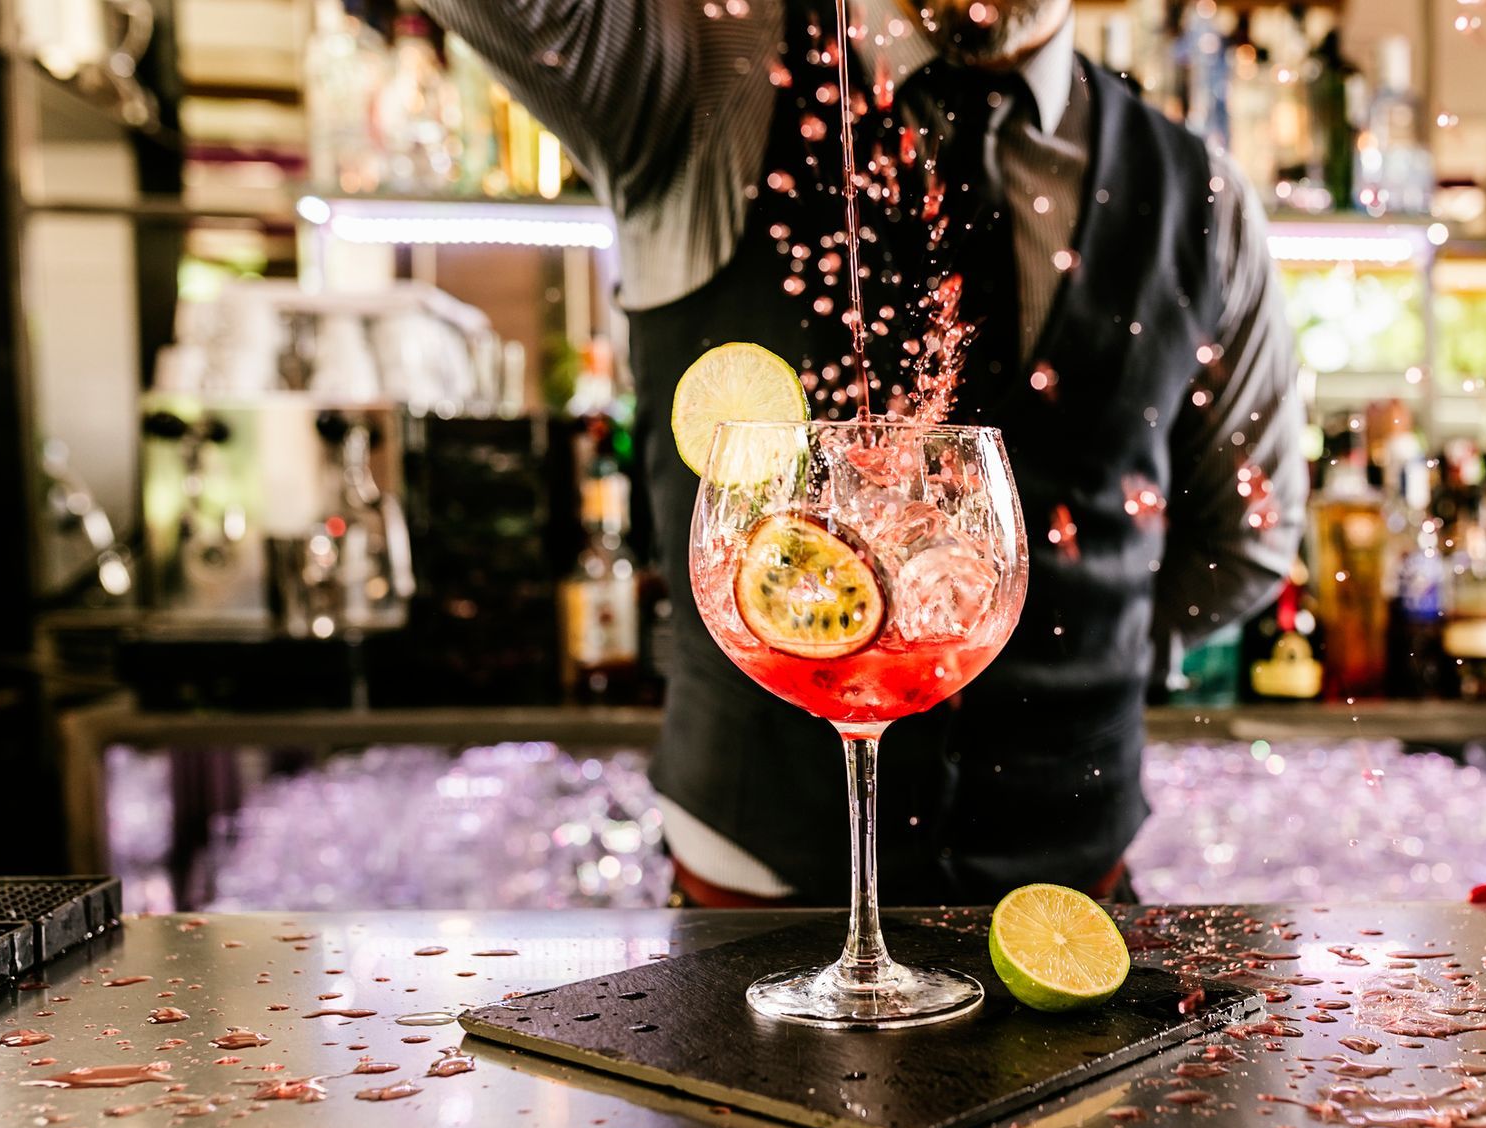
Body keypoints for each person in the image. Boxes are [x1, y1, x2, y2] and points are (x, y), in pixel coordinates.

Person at [420, 0, 1306, 906]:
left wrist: (1091, 648)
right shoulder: (701, 73)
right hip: (755, 907)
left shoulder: (1199, 196)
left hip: (1069, 905)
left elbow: (1245, 539)